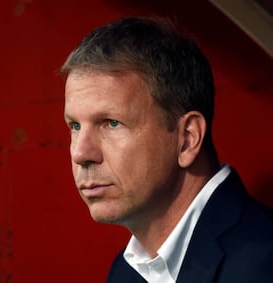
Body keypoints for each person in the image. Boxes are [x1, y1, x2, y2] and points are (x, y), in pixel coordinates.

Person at [60, 17, 273, 283]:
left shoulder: (264, 264)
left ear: (187, 138)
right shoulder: (125, 272)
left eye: (111, 123)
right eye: (75, 125)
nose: (81, 153)